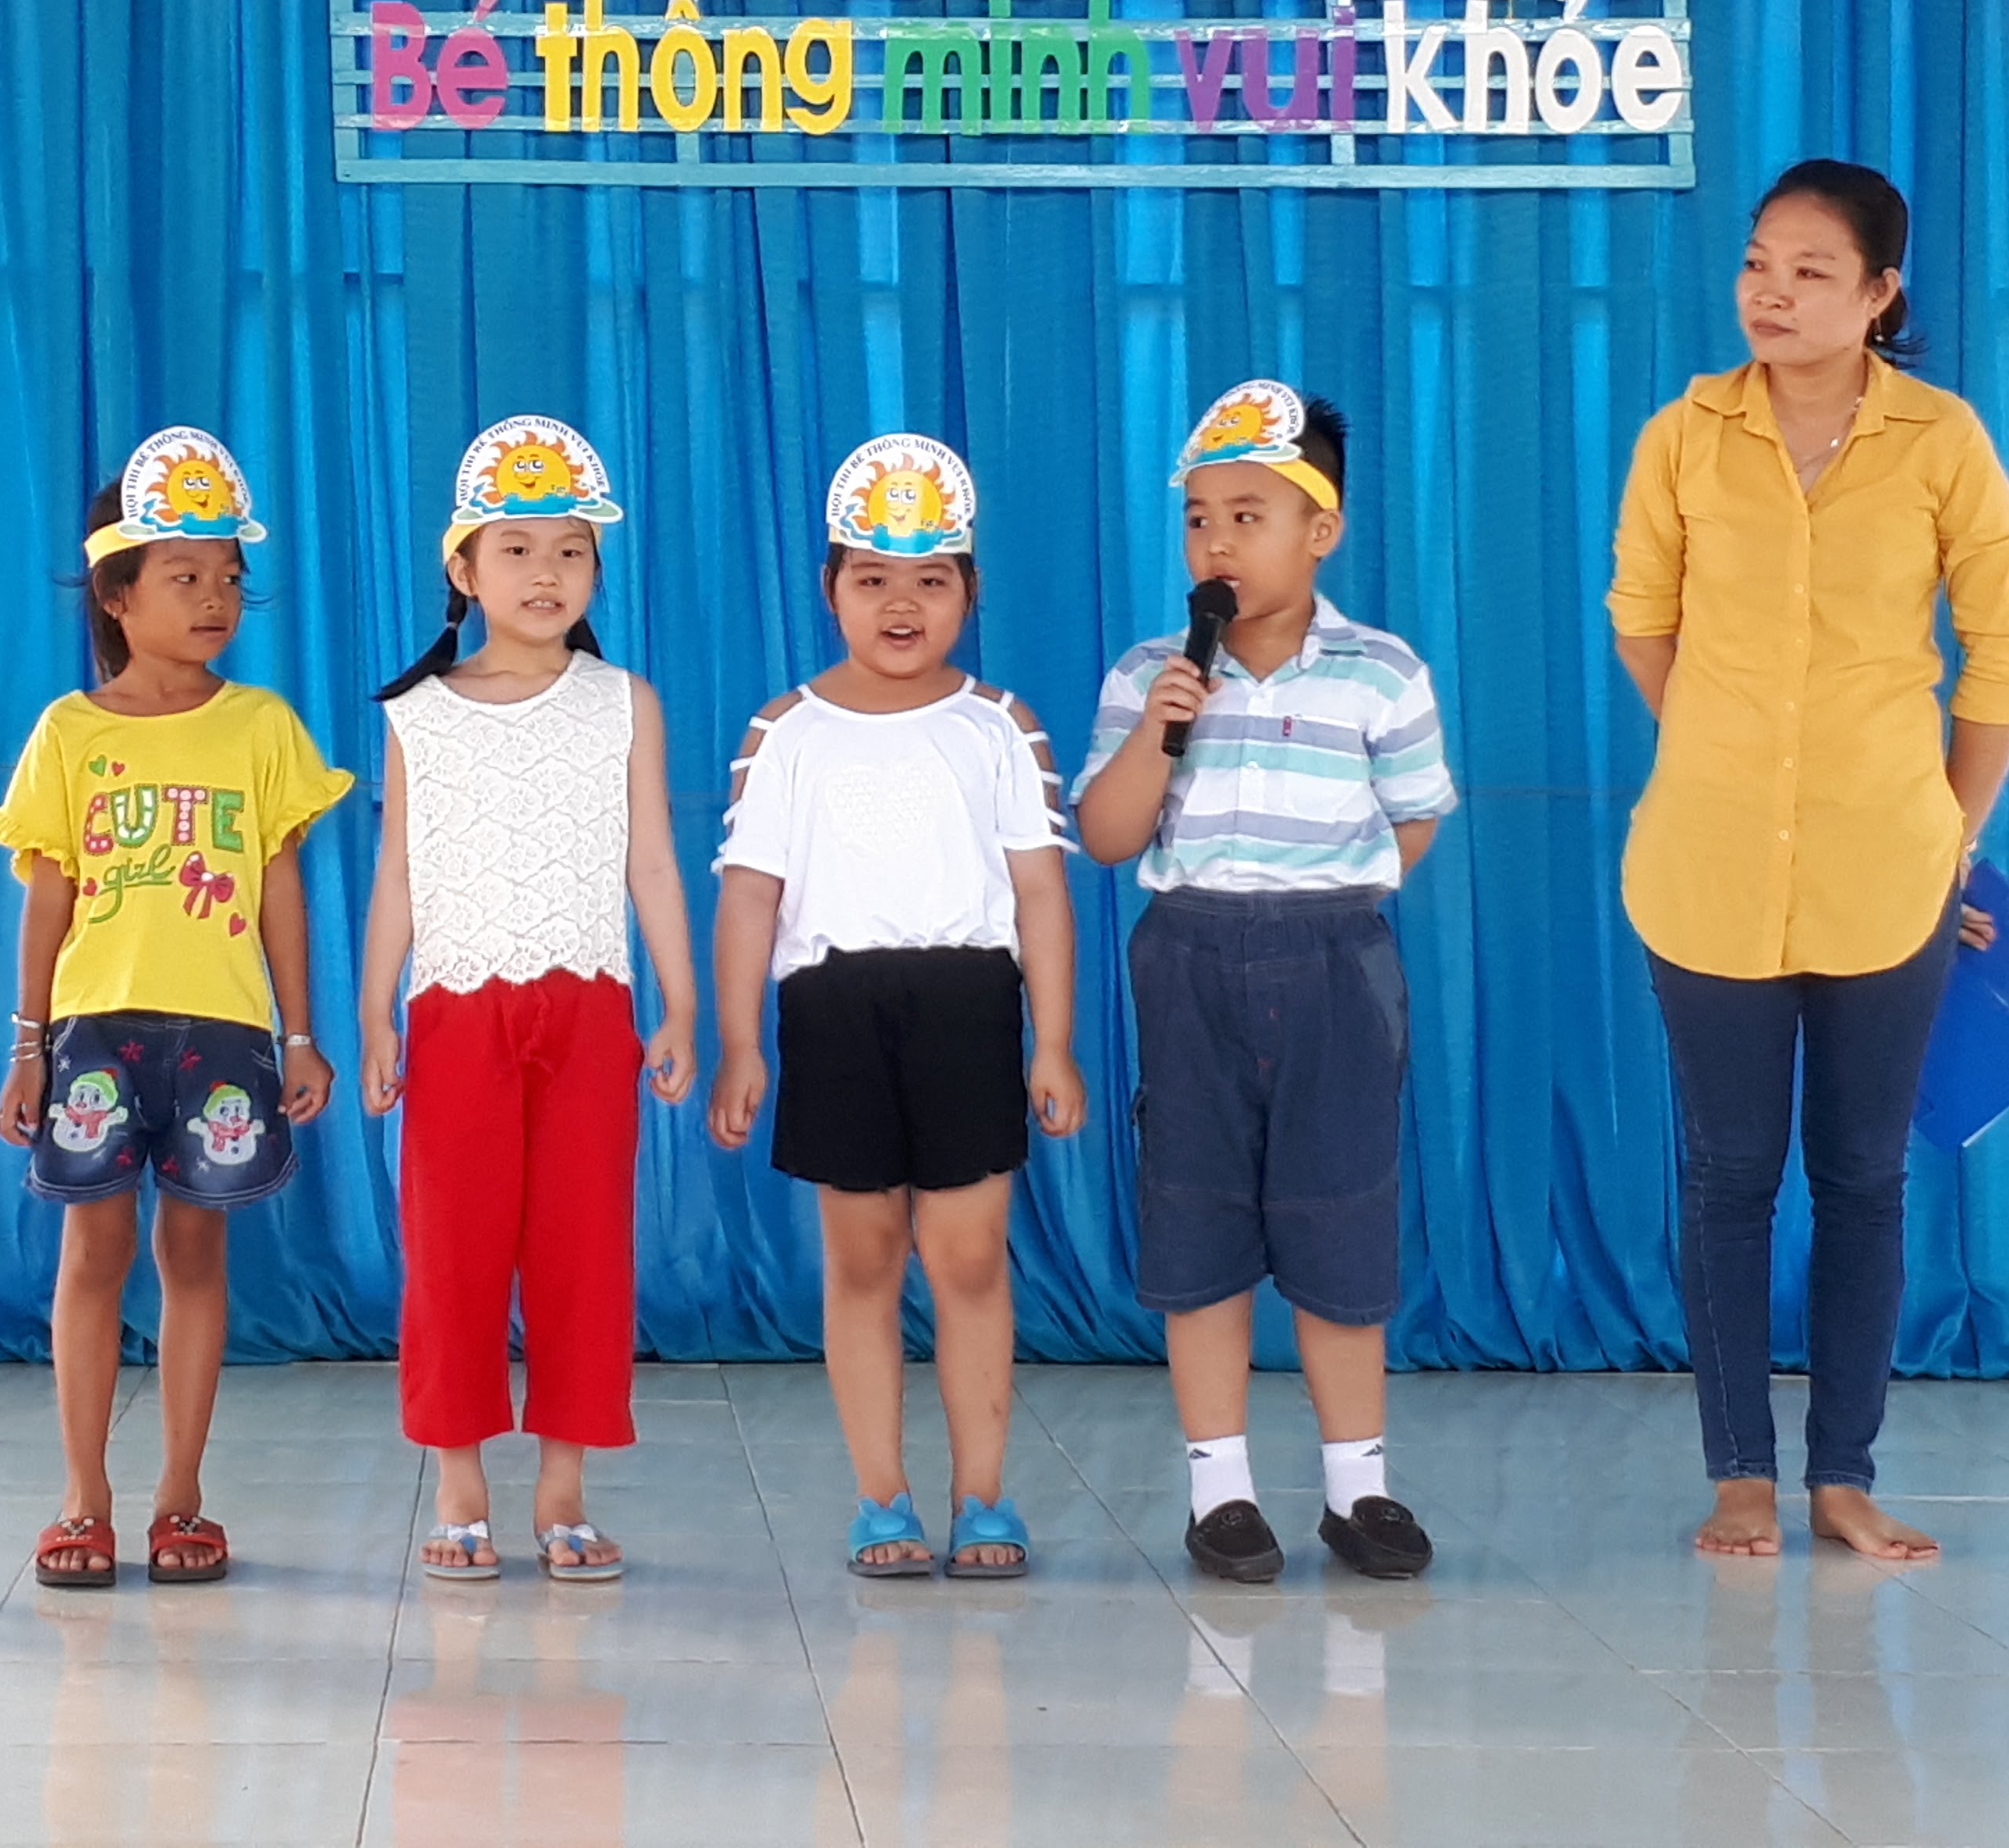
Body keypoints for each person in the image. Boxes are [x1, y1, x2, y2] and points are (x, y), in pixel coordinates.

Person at [1608, 160, 2009, 1562]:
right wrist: (1729, 745)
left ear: (1879, 294)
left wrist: (1948, 833)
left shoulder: (1941, 441)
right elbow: (1643, 617)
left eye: (1809, 271)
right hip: (1706, 862)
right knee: (1729, 1176)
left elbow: (2004, 646)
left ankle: (1842, 1476)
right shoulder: (1684, 436)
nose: (1772, 293)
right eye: (1757, 264)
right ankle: (1739, 1476)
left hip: (1888, 867)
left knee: (1863, 1178)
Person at [1075, 381, 1455, 1585]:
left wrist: (1322, 901)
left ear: (1320, 530)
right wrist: (1162, 731)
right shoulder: (1151, 672)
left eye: (1248, 516)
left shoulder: (1381, 673)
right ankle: (1221, 1491)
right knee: (1199, 1217)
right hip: (1190, 958)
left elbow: (1413, 823)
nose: (1218, 543)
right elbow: (1107, 836)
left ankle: (1358, 1486)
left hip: (1336, 961)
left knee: (1341, 1216)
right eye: (1198, 520)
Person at [706, 434, 1085, 1579]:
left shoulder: (1001, 724)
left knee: (968, 1259)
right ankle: (882, 1498)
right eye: (871, 578)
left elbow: (1039, 892)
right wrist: (741, 1043)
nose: (901, 603)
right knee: (864, 1259)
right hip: (835, 1010)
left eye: (930, 579)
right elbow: (750, 898)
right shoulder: (786, 730)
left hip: (969, 1003)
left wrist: (1054, 1043)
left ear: (970, 590)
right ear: (831, 590)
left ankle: (984, 1497)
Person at [0, 428, 353, 1588]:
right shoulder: (71, 732)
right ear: (117, 593)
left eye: (229, 578)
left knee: (196, 1254)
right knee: (93, 1253)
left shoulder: (262, 727)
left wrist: (300, 1034)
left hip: (225, 1034)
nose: (214, 600)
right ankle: (83, 1499)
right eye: (184, 576)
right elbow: (50, 894)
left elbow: (280, 888)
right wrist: (29, 1046)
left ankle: (182, 1498)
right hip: (95, 1031)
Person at [359, 415, 702, 1584]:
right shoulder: (418, 715)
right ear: (464, 570)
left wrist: (679, 1004)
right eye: (515, 549)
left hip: (590, 1009)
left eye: (570, 550)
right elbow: (398, 876)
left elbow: (652, 862)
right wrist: (375, 1014)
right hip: (457, 1012)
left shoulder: (624, 703)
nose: (545, 572)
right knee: (452, 1249)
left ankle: (564, 1488)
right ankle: (460, 1483)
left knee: (582, 1249)